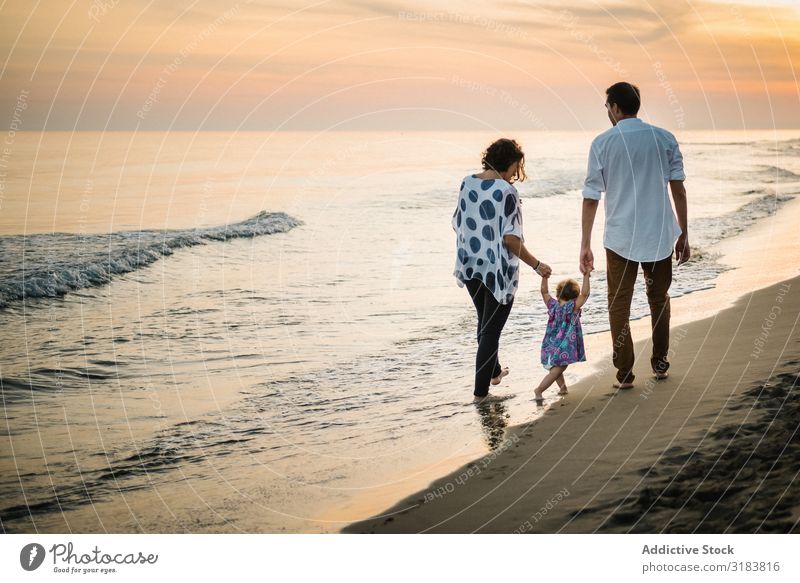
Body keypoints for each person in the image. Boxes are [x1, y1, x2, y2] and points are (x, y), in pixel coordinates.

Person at [580, 81, 690, 390]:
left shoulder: (602, 143)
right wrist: (683, 233)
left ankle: (625, 374)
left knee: (619, 305)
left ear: (615, 108)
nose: (607, 112)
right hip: (658, 233)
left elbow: (591, 197)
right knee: (658, 299)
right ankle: (660, 362)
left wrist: (585, 244)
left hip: (620, 238)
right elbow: (678, 189)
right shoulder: (664, 138)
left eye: (607, 107)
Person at [452, 138, 552, 404]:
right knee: (490, 330)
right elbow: (511, 239)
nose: (514, 175)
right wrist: (537, 265)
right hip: (498, 270)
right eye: (515, 168)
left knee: (485, 323)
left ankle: (494, 372)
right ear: (509, 163)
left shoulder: (467, 182)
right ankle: (481, 394)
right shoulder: (506, 191)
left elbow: (458, 222)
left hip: (472, 264)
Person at [534, 272, 589, 404]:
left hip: (550, 343)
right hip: (563, 344)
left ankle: (563, 388)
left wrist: (544, 277)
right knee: (559, 368)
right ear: (574, 295)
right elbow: (585, 294)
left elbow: (544, 292)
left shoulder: (553, 305)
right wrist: (586, 276)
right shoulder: (572, 306)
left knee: (557, 365)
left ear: (559, 293)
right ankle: (539, 389)